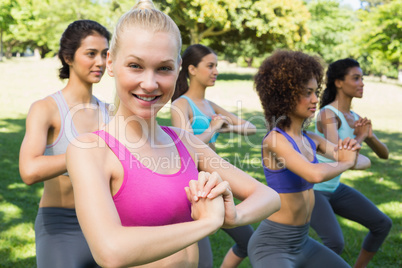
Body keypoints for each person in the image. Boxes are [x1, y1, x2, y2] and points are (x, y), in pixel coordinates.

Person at [65, 1, 280, 267]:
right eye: (135, 65)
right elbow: (111, 252)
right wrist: (208, 223)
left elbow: (269, 197)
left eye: (164, 68)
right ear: (111, 62)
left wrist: (231, 216)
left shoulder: (185, 141)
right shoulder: (90, 150)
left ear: (178, 67)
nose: (149, 83)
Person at [247, 50, 371, 268]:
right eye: (307, 93)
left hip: (302, 242)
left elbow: (363, 162)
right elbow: (312, 173)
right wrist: (345, 162)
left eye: (316, 92)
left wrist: (352, 153)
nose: (315, 100)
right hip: (273, 245)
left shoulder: (311, 139)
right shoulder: (275, 141)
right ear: (284, 95)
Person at [19, 20, 111, 267]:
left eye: (105, 54)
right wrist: (86, 149)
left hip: (107, 223)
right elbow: (29, 171)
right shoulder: (46, 109)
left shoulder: (111, 113)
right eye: (91, 54)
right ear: (68, 57)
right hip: (61, 225)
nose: (100, 62)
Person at [170, 44, 256, 268]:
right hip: (195, 188)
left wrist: (225, 127)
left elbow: (250, 128)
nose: (215, 70)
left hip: (215, 182)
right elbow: (187, 146)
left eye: (216, 66)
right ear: (192, 69)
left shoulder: (210, 106)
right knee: (200, 260)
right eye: (210, 66)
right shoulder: (180, 105)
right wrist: (214, 128)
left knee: (249, 240)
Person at [311, 58, 392, 268]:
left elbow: (384, 155)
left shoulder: (354, 117)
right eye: (355, 78)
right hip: (315, 188)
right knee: (335, 243)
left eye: (362, 78)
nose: (362, 83)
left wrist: (370, 136)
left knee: (382, 224)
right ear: (339, 82)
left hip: (334, 187)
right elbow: (337, 153)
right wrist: (361, 137)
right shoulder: (328, 113)